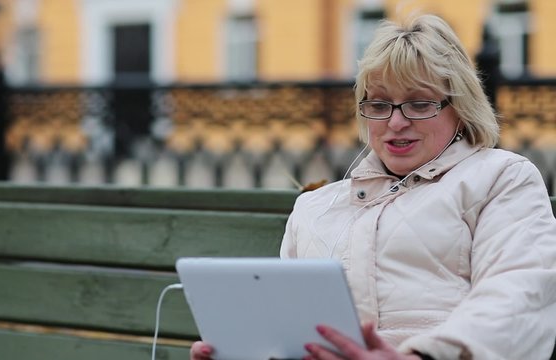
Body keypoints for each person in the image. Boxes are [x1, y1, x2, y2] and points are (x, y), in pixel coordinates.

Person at [190, 14, 556, 360]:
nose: (396, 122)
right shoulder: (316, 207)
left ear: (459, 107)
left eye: (419, 103)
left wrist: (418, 356)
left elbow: (519, 295)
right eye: (379, 105)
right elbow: (287, 331)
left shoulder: (500, 177)